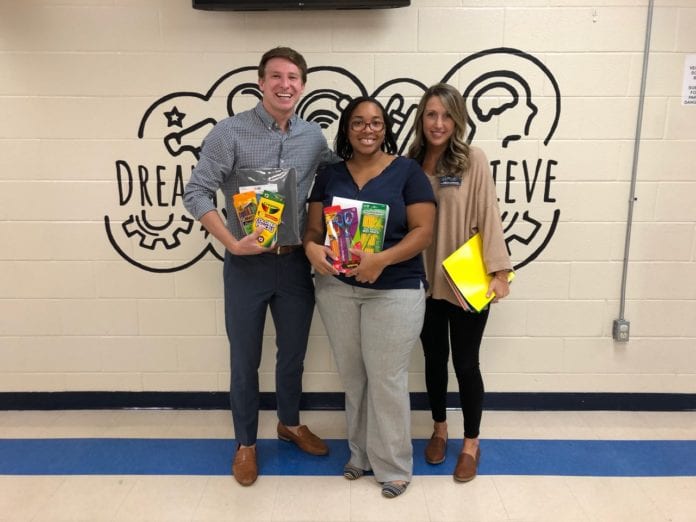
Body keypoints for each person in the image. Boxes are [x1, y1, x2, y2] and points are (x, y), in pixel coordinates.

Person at [183, 47, 336, 487]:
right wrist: (232, 241)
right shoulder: (229, 133)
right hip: (246, 266)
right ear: (261, 82)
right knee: (244, 359)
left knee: (292, 355)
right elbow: (196, 193)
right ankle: (245, 443)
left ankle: (289, 423)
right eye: (276, 76)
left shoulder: (313, 137)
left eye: (293, 77)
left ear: (303, 85)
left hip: (293, 265)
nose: (284, 84)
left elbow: (333, 181)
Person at [303, 96, 436, 498]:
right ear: (346, 129)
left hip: (394, 290)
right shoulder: (328, 175)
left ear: (385, 128)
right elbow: (312, 232)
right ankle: (359, 456)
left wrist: (381, 259)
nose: (367, 129)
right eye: (358, 122)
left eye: (376, 122)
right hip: (337, 291)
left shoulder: (407, 172)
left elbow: (422, 232)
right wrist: (312, 249)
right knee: (354, 377)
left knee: (386, 379)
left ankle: (394, 466)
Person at [407, 83, 513, 482]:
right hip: (421, 281)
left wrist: (499, 273)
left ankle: (470, 442)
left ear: (458, 119)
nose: (438, 123)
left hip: (466, 280)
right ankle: (438, 429)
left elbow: (489, 213)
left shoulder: (472, 159)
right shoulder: (410, 162)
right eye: (431, 114)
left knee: (466, 363)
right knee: (434, 361)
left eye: (447, 115)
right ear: (422, 118)